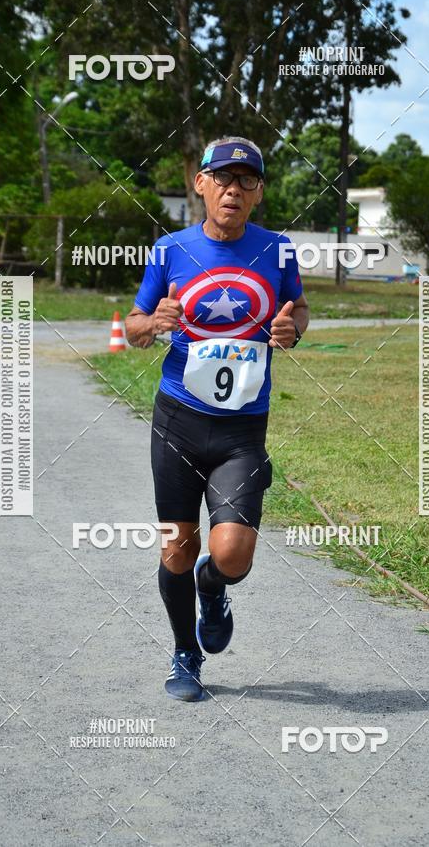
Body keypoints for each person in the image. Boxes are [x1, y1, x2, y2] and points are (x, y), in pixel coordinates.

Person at [125, 136, 309, 701]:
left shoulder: (277, 251)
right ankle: (185, 655)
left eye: (246, 180)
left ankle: (215, 586)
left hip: (241, 430)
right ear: (200, 184)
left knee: (230, 553)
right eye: (223, 179)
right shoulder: (169, 250)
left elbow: (297, 307)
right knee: (177, 545)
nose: (233, 189)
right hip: (177, 420)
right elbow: (130, 329)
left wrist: (292, 328)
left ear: (258, 192)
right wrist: (153, 322)